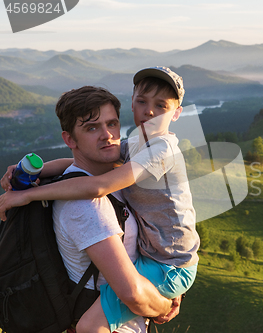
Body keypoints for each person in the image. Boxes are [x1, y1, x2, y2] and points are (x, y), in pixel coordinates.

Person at [0, 67, 199, 333]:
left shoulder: (160, 149)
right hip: (161, 262)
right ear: (132, 103)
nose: (149, 111)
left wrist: (26, 194)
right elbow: (133, 293)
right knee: (90, 327)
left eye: (112, 124)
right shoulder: (132, 152)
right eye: (142, 102)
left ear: (176, 114)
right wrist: (27, 172)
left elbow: (97, 184)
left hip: (171, 261)